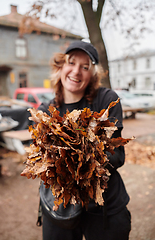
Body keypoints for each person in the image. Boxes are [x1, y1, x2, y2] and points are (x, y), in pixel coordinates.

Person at [38, 40, 131, 240]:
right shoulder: (45, 112)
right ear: (60, 67)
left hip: (105, 207)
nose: (76, 71)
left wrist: (79, 157)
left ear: (93, 74)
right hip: (60, 208)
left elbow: (117, 156)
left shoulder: (106, 101)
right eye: (71, 63)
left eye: (85, 67)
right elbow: (41, 160)